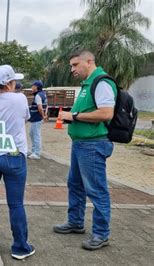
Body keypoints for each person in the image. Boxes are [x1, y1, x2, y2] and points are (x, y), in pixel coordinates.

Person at [55, 49, 116, 251]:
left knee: (96, 190)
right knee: (75, 184)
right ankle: (75, 222)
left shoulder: (101, 82)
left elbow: (106, 113)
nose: (72, 69)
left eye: (75, 65)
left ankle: (101, 234)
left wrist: (74, 116)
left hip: (93, 144)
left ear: (89, 61)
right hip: (82, 143)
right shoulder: (87, 84)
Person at [0, 65, 35, 260]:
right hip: (15, 155)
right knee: (16, 204)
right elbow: (25, 118)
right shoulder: (20, 98)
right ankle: (20, 247)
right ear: (10, 83)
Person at [28, 80, 48, 159]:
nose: (32, 87)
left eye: (33, 86)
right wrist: (45, 115)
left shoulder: (38, 95)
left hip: (37, 117)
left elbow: (40, 107)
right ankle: (33, 151)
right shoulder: (43, 94)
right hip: (37, 118)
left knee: (36, 135)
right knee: (32, 134)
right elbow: (46, 105)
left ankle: (37, 153)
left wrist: (43, 116)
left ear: (36, 87)